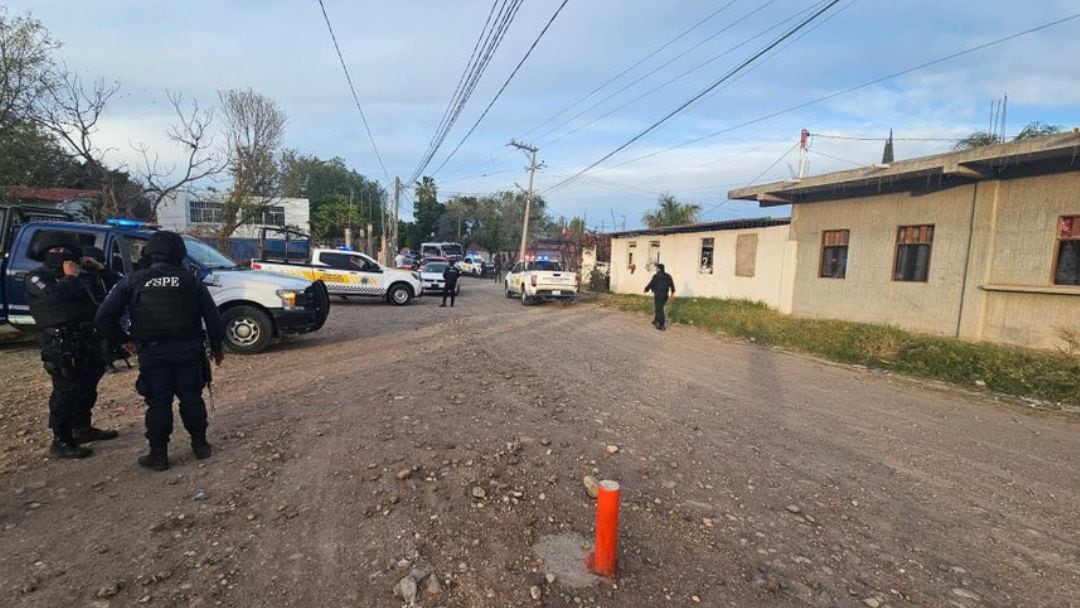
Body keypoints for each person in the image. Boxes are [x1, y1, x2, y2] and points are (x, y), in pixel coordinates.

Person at [95, 231, 225, 471]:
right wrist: (217, 347)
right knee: (192, 399)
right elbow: (213, 318)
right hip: (189, 352)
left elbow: (103, 317)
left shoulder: (132, 280)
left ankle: (158, 455)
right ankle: (200, 446)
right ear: (179, 253)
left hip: (153, 354)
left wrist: (124, 341)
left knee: (158, 404)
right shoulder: (191, 281)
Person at [25, 232, 119, 459]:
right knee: (66, 390)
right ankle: (61, 439)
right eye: (54, 250)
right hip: (59, 342)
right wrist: (70, 278)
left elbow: (120, 285)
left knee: (88, 385)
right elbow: (52, 296)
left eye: (64, 250)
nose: (60, 254)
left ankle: (82, 428)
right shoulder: (37, 276)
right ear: (43, 252)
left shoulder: (83, 274)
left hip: (87, 338)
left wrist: (100, 269)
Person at [81, 246, 128, 373]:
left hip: (104, 307)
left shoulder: (107, 274)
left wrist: (100, 268)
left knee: (105, 328)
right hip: (85, 310)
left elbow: (121, 282)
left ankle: (108, 361)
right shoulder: (80, 275)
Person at [643, 263, 676, 330]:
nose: (656, 269)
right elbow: (672, 285)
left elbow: (651, 283)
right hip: (665, 296)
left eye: (656, 268)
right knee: (659, 307)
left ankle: (662, 325)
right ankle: (656, 320)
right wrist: (672, 293)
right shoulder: (668, 276)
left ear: (659, 269)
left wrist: (646, 289)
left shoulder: (656, 276)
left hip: (658, 295)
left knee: (659, 309)